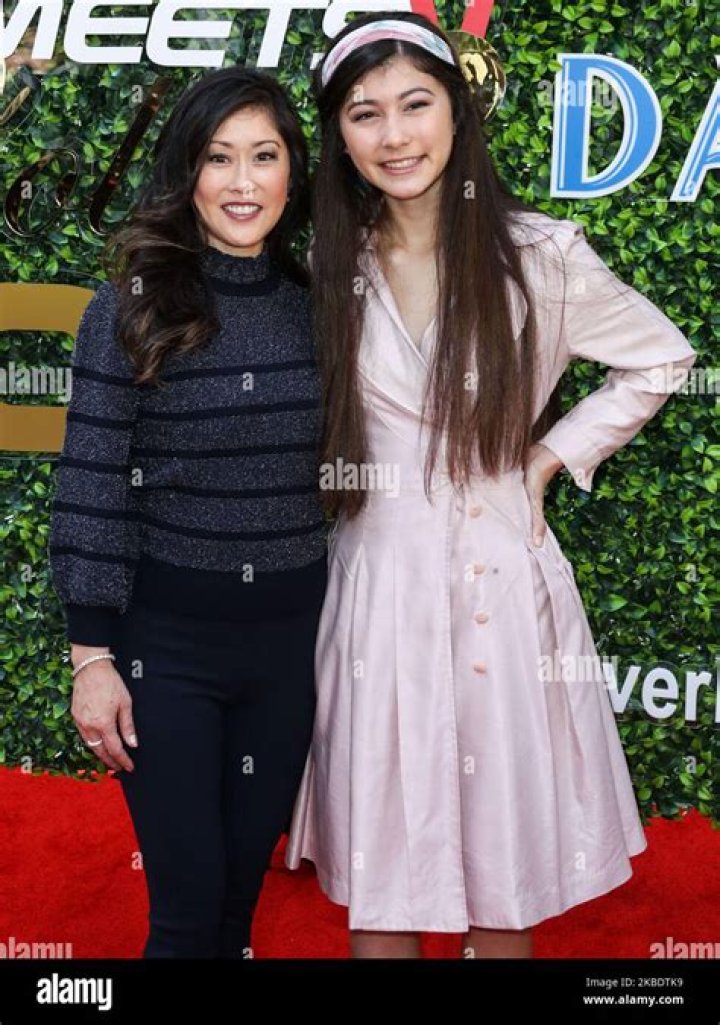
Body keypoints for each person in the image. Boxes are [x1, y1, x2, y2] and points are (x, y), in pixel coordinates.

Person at [283, 12, 697, 959]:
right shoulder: (321, 264)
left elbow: (660, 357)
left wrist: (548, 458)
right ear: (339, 135)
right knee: (382, 886)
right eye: (365, 113)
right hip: (375, 589)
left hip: (501, 591)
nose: (395, 135)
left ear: (458, 112)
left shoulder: (539, 254)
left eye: (416, 105)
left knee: (503, 884)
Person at [48, 68, 328, 958]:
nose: (243, 183)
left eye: (264, 156)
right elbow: (91, 478)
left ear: (293, 173)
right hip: (165, 653)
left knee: (237, 909)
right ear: (186, 172)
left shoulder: (323, 309)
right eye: (218, 158)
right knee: (186, 915)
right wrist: (92, 657)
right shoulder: (129, 307)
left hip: (291, 650)